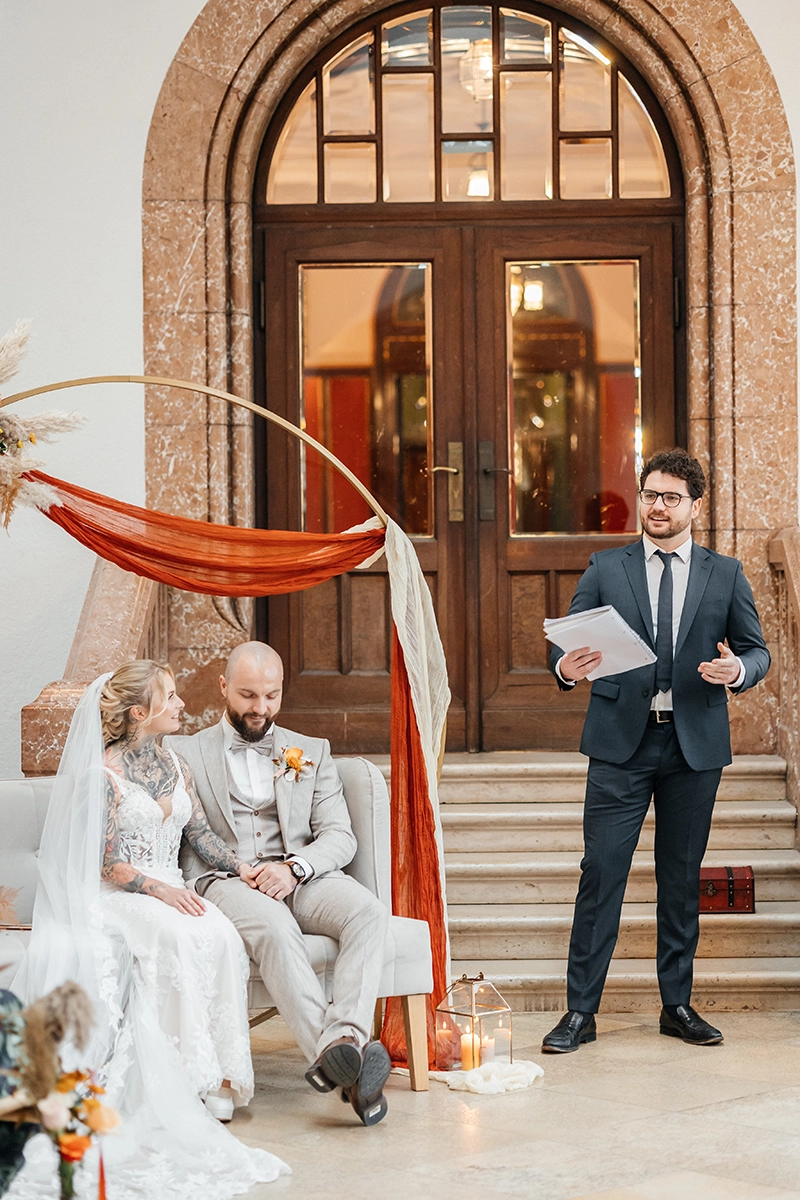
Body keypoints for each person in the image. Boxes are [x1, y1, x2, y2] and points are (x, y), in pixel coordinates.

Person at [9, 662, 289, 1198]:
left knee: (222, 934)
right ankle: (183, 1080)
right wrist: (160, 890)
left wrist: (241, 868)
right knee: (181, 935)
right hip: (123, 894)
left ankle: (220, 1079)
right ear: (141, 712)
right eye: (172, 697)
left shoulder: (176, 765)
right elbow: (105, 864)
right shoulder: (105, 774)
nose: (183, 704)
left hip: (172, 885)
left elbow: (202, 834)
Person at [542, 448, 770, 1053]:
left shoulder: (725, 574)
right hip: (621, 742)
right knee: (601, 874)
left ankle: (677, 1005)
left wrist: (738, 670)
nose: (658, 506)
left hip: (694, 745)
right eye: (649, 494)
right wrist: (566, 666)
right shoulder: (606, 567)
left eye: (671, 497)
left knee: (679, 878)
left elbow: (757, 650)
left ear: (696, 506)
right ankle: (579, 1013)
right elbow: (564, 641)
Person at [164, 641, 392, 1127]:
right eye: (248, 695)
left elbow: (339, 836)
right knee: (273, 926)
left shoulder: (310, 752)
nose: (260, 709)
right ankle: (339, 1061)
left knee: (368, 912)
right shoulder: (183, 752)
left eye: (271, 696)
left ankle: (346, 1039)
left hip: (301, 876)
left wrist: (294, 869)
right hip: (226, 878)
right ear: (223, 686)